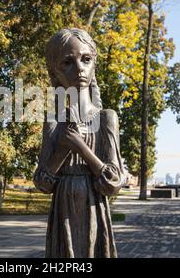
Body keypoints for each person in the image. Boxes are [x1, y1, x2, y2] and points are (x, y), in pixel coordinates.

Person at [33, 28, 125, 258]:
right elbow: (43, 183)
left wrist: (82, 147)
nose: (79, 68)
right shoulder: (53, 122)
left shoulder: (106, 118)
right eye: (68, 62)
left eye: (86, 59)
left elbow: (113, 182)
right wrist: (63, 149)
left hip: (94, 208)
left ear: (94, 65)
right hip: (62, 209)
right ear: (54, 73)